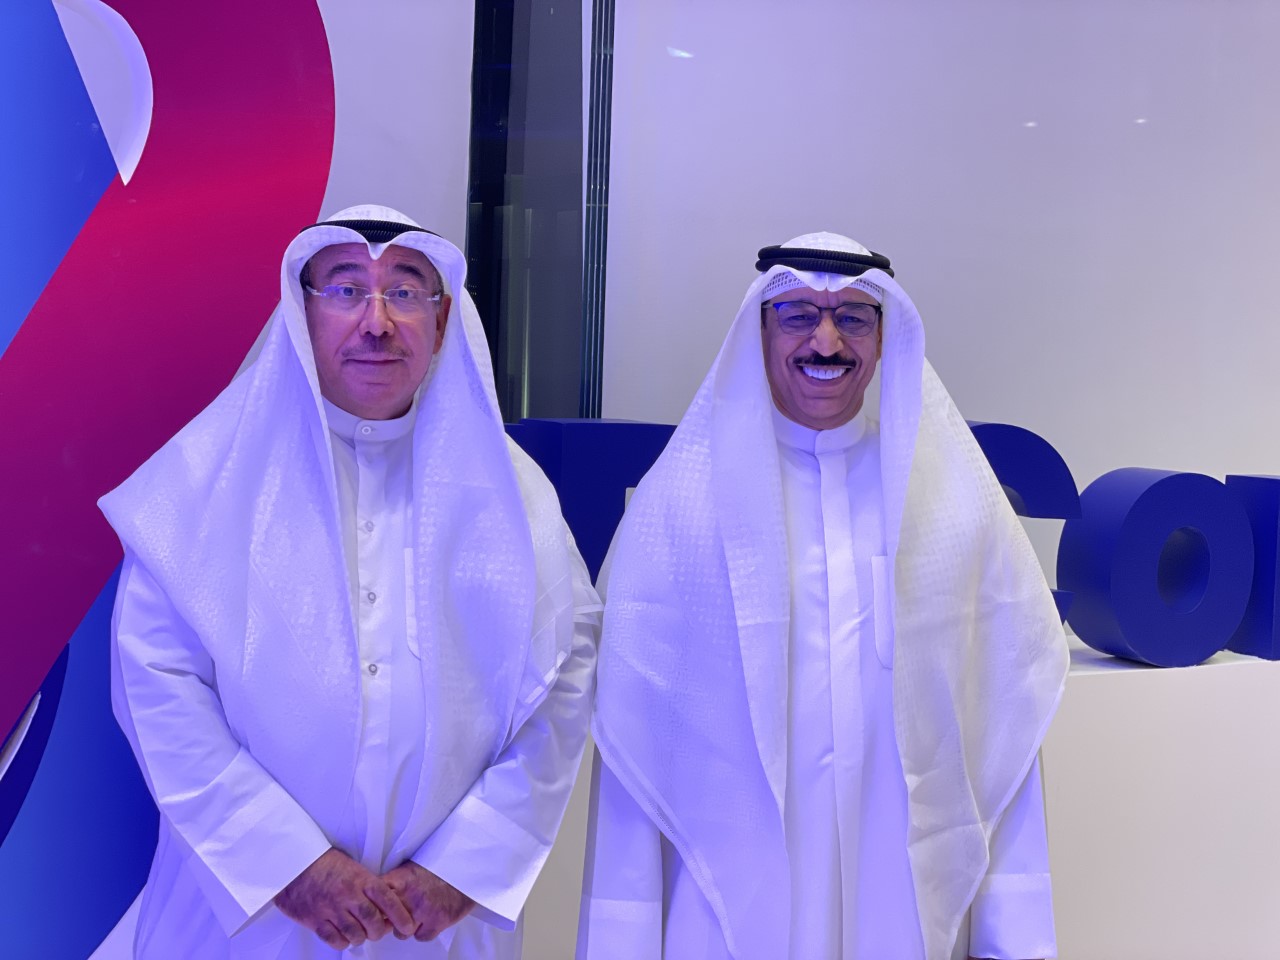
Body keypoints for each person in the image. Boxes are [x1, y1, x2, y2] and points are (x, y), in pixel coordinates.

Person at [100, 205, 600, 959]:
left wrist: (466, 864)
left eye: (404, 292)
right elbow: (157, 685)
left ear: (441, 320)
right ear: (301, 311)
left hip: (433, 924)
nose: (377, 323)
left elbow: (563, 679)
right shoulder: (208, 479)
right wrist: (286, 865)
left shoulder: (511, 492)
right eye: (345, 290)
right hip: (252, 920)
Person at [576, 233, 1068, 960]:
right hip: (721, 914)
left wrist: (1016, 943)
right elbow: (635, 751)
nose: (827, 340)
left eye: (853, 318)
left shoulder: (954, 506)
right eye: (799, 314)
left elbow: (1004, 729)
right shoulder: (681, 508)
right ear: (761, 330)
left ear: (883, 336)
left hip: (901, 902)